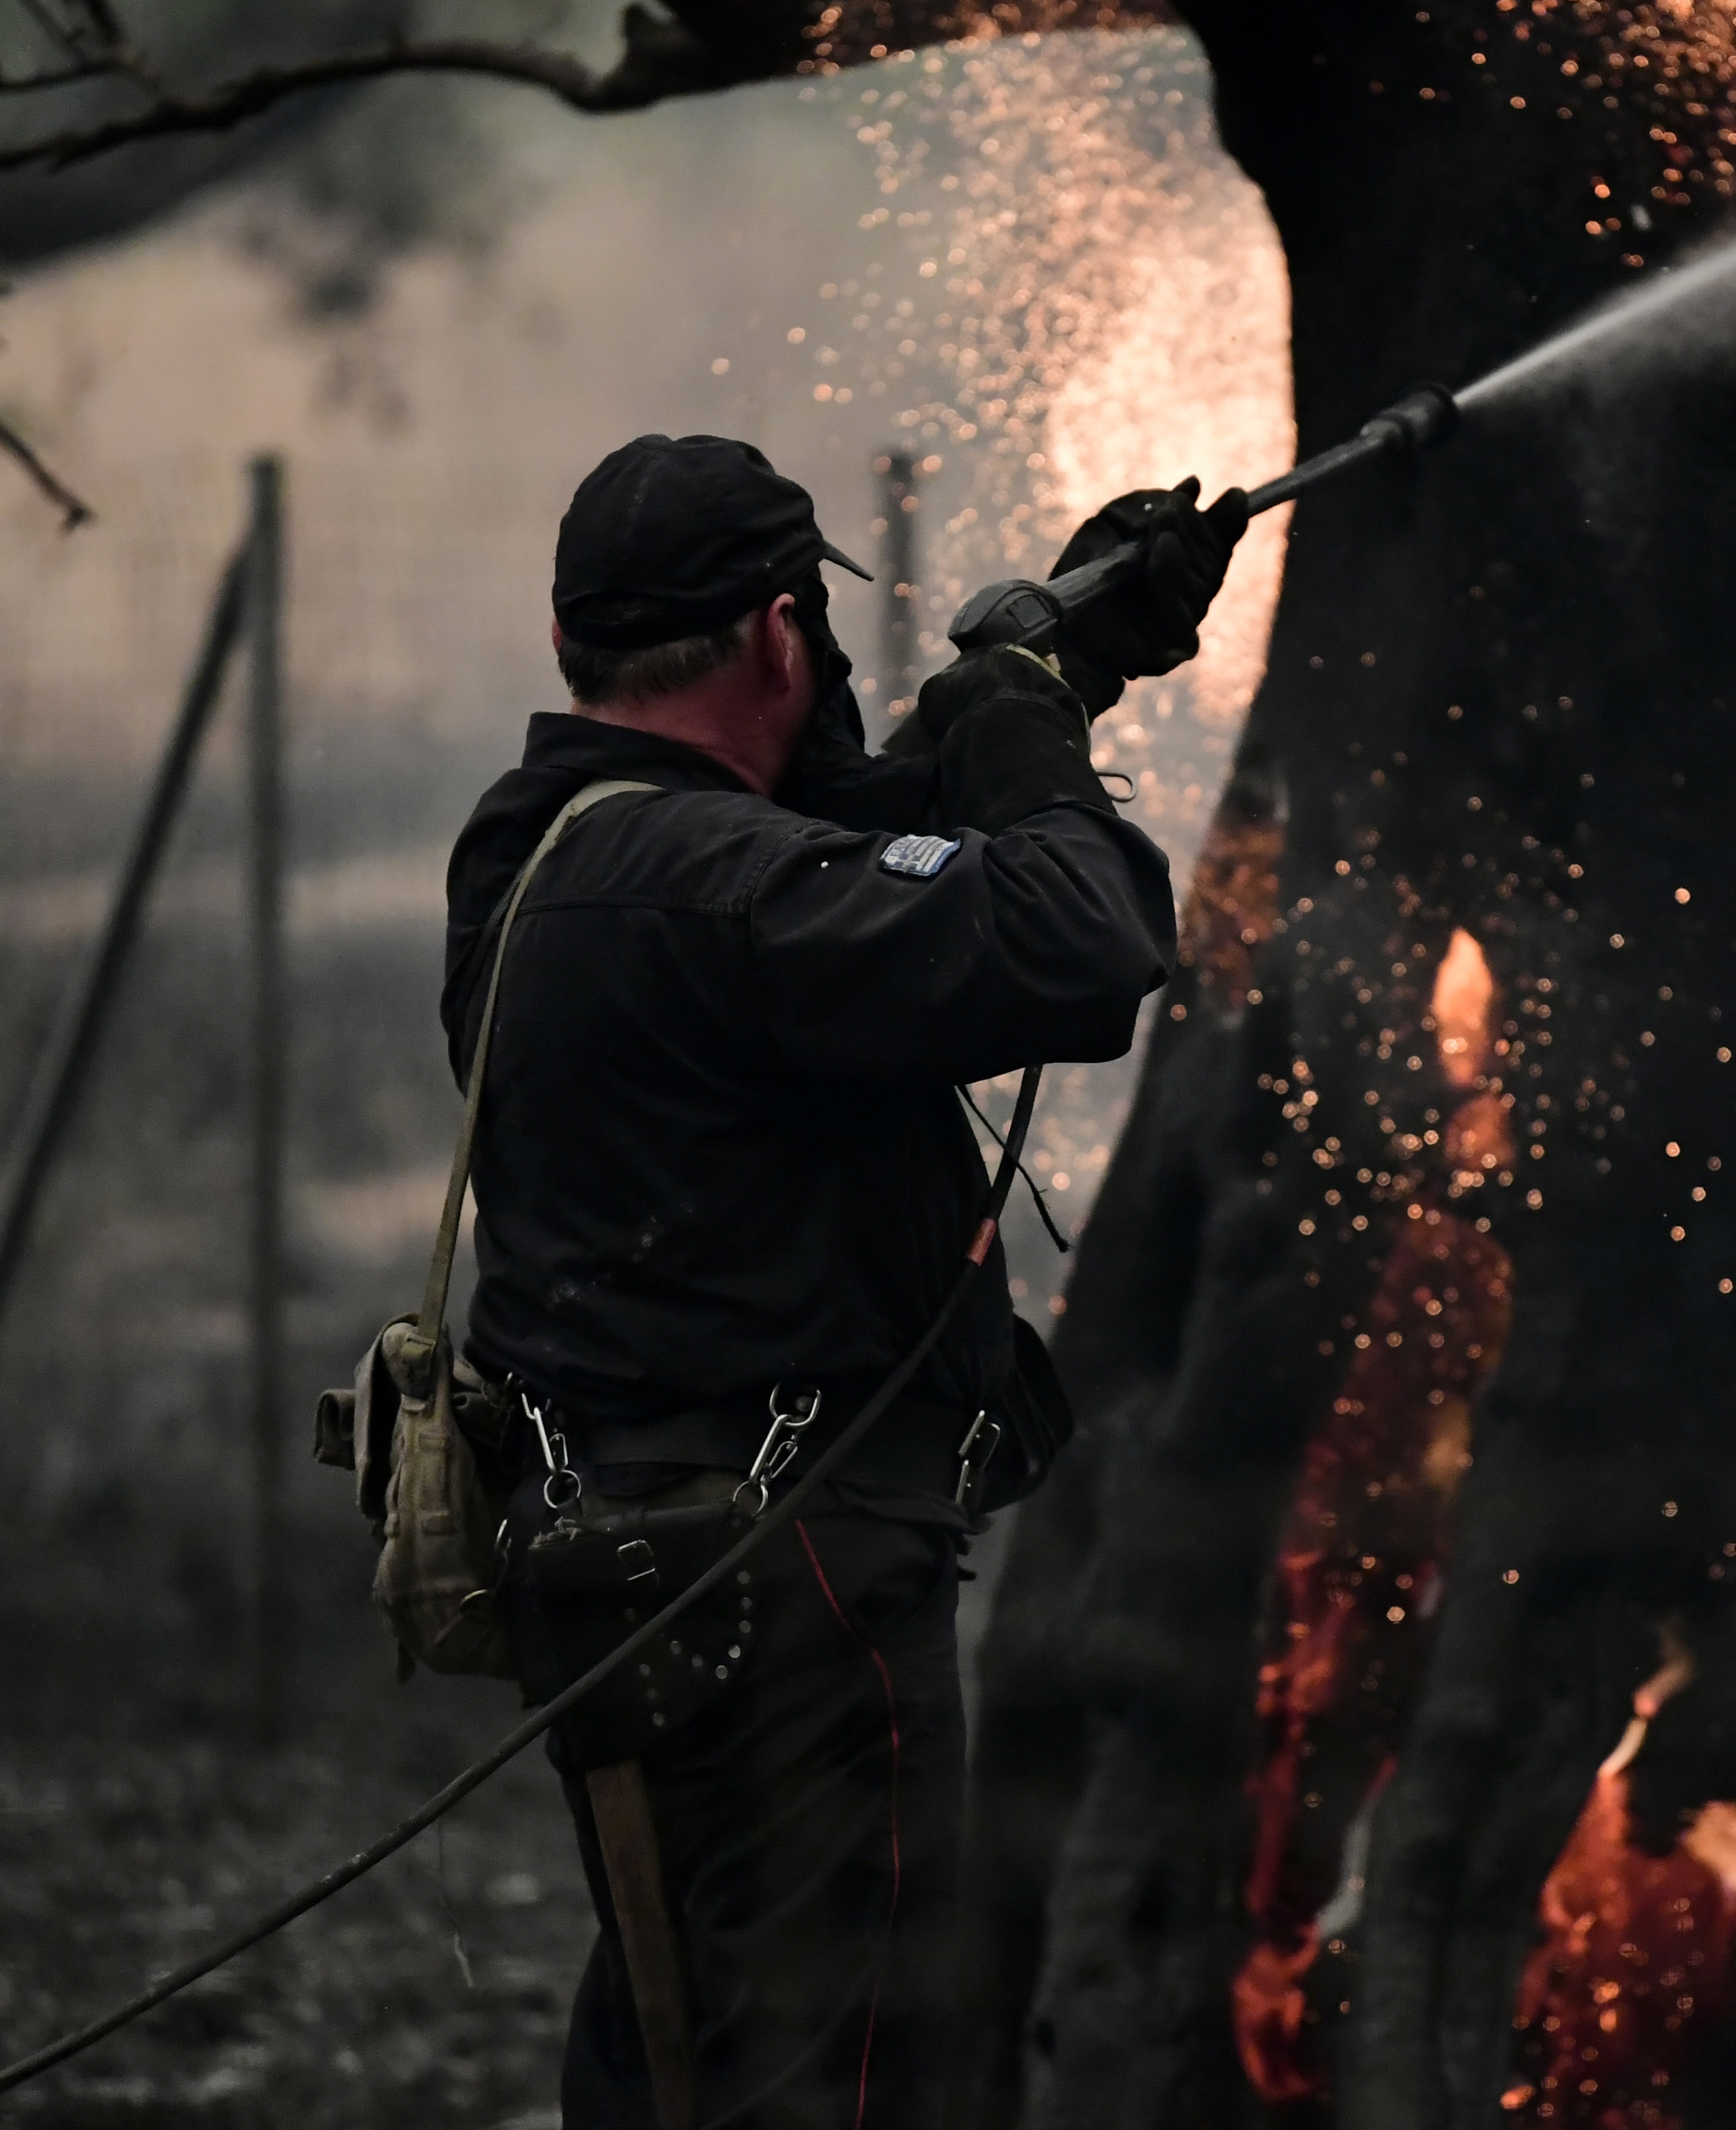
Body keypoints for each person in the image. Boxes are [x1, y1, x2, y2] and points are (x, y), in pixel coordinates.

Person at [444, 431, 1244, 2129]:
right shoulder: (713, 891)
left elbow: (832, 867)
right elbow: (1072, 938)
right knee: (854, 2073)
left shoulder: (546, 859)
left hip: (633, 1566)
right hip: (790, 1590)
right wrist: (1020, 719)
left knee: (684, 2047)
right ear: (778, 632)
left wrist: (1065, 659)